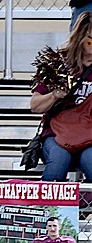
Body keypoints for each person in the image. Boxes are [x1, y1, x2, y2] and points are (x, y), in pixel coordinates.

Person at [29, 12, 92, 182]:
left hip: (90, 136)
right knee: (58, 161)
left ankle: (80, 205)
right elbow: (35, 106)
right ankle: (48, 208)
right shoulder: (58, 63)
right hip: (57, 133)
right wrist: (56, 95)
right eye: (90, 41)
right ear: (79, 39)